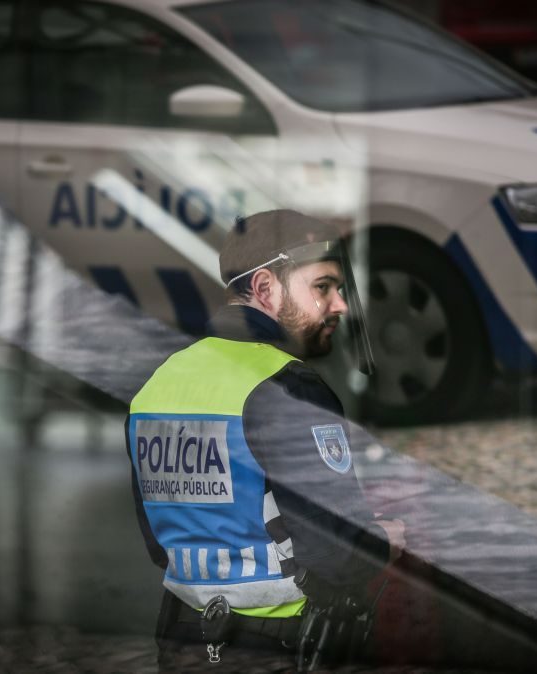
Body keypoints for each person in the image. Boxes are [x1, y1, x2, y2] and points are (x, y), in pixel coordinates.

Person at [125, 209, 405, 671]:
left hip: (182, 640)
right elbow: (338, 556)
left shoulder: (156, 385)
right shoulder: (289, 389)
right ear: (264, 288)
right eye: (322, 287)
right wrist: (384, 538)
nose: (340, 305)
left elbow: (161, 545)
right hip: (280, 646)